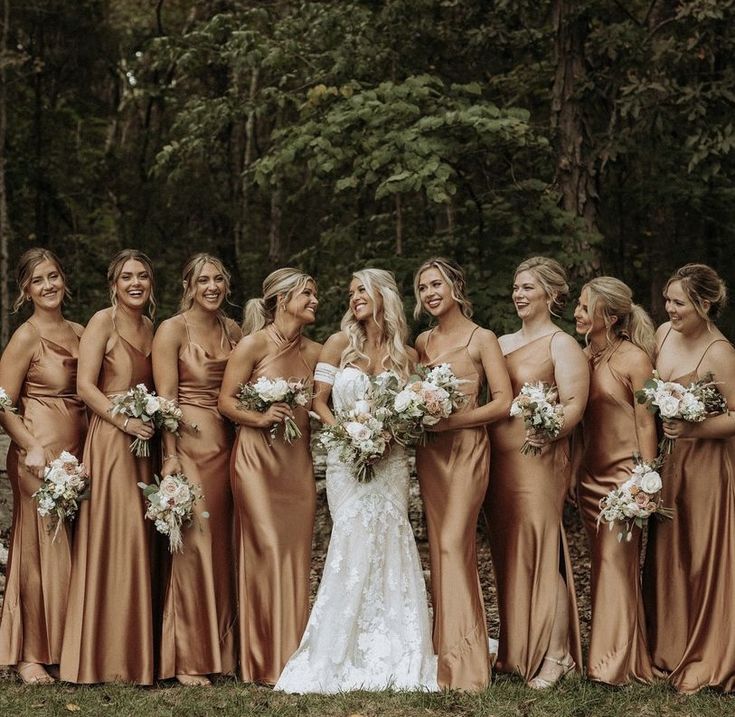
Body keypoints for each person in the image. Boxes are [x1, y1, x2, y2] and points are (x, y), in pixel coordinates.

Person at [275, 268, 438, 693]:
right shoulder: (338, 343)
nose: (354, 299)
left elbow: (413, 411)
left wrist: (388, 435)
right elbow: (318, 401)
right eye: (350, 293)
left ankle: (397, 647)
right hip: (347, 459)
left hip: (391, 461)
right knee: (351, 538)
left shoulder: (406, 355)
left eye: (361, 290)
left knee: (391, 540)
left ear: (383, 294)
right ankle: (338, 648)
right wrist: (350, 434)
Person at [486, 256, 588, 688]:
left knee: (543, 552)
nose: (518, 294)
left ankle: (558, 654)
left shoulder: (560, 344)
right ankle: (519, 648)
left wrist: (551, 430)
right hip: (499, 461)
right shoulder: (503, 342)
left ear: (551, 294)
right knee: (509, 550)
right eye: (516, 287)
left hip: (539, 461)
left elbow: (574, 407)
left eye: (527, 287)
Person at [413, 257, 512, 691]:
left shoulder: (482, 338)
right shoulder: (422, 341)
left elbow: (503, 401)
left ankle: (467, 665)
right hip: (432, 454)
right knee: (439, 550)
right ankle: (444, 653)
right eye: (422, 288)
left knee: (455, 544)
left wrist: (456, 420)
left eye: (436, 284)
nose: (430, 293)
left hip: (468, 449)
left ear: (455, 285)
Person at [218, 268, 321, 685]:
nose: (315, 300)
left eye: (315, 293)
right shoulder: (252, 344)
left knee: (295, 558)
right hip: (257, 463)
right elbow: (225, 401)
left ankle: (292, 656)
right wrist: (258, 418)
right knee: (267, 549)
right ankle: (261, 660)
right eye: (308, 293)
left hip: (297, 466)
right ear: (281, 299)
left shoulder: (315, 352)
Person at [60, 249, 157, 684]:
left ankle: (134, 655)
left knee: (138, 538)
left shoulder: (153, 327)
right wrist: (123, 419)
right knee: (115, 537)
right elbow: (84, 386)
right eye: (126, 278)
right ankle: (103, 656)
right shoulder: (103, 321)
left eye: (142, 276)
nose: (135, 283)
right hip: (112, 438)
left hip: (144, 443)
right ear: (113, 286)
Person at [644, 263, 735, 693]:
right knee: (669, 552)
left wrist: (694, 428)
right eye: (667, 300)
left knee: (700, 553)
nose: (670, 308)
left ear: (705, 303)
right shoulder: (662, 334)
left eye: (679, 302)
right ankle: (668, 648)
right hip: (669, 462)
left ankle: (708, 651)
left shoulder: (720, 352)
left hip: (706, 468)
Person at [152, 253, 241, 685]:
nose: (212, 287)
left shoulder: (234, 330)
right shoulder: (171, 330)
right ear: (188, 285)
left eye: (218, 279)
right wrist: (169, 455)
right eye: (203, 280)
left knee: (222, 545)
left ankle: (221, 649)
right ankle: (187, 656)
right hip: (187, 443)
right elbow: (165, 398)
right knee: (192, 543)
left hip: (229, 445)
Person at [0, 249, 88, 684]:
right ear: (26, 290)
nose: (49, 285)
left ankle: (66, 646)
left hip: (80, 452)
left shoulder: (81, 330)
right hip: (39, 453)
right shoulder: (25, 337)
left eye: (54, 276)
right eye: (39, 280)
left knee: (73, 547)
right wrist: (30, 445)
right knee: (40, 547)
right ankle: (30, 652)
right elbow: (2, 402)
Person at [573, 276, 656, 684]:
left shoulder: (635, 359)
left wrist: (647, 480)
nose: (577, 313)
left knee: (615, 564)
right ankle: (615, 653)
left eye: (585, 307)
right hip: (589, 478)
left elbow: (645, 421)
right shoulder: (582, 356)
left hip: (625, 479)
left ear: (609, 315)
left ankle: (613, 667)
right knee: (603, 564)